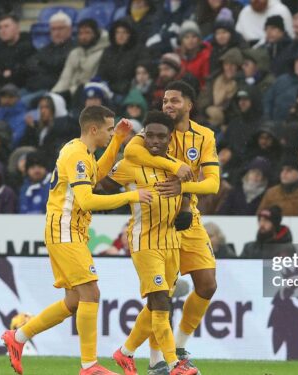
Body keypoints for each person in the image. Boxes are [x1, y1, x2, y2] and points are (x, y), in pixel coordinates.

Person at [1, 106, 151, 375]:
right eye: (108, 129)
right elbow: (87, 199)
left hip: (70, 231)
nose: (109, 132)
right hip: (65, 230)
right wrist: (132, 196)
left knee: (74, 301)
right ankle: (89, 365)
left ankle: (19, 337)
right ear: (93, 129)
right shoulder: (76, 156)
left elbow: (99, 174)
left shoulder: (82, 152)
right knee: (91, 293)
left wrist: (117, 139)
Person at [123, 81, 220, 372]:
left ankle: (177, 344)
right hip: (159, 222)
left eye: (175, 101)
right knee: (161, 294)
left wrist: (182, 187)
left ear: (189, 105)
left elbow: (213, 184)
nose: (168, 106)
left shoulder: (204, 137)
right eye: (165, 100)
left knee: (207, 284)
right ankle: (156, 362)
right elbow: (130, 154)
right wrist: (174, 167)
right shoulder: (153, 131)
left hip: (189, 217)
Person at [106, 111, 197, 375]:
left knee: (156, 303)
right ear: (143, 135)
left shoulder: (177, 165)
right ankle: (173, 364)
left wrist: (186, 209)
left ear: (170, 139)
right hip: (144, 242)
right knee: (160, 302)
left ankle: (125, 353)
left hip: (171, 242)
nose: (155, 141)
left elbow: (188, 192)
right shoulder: (130, 164)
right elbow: (102, 186)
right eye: (150, 135)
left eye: (161, 136)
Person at [24, 12, 76, 102]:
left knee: (22, 102)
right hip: (35, 87)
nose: (56, 32)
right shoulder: (48, 47)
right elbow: (30, 63)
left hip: (53, 90)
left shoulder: (74, 48)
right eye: (53, 29)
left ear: (70, 30)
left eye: (60, 28)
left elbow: (58, 64)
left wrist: (43, 64)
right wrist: (48, 66)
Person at [51, 18, 110, 98]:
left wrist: (69, 93)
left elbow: (93, 81)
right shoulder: (75, 53)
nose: (83, 37)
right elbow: (64, 79)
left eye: (87, 33)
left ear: (96, 34)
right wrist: (53, 95)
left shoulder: (104, 52)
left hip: (89, 94)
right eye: (81, 33)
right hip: (69, 93)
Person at [97, 19, 144, 98]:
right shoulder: (108, 51)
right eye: (117, 32)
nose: (120, 35)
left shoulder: (138, 51)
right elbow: (101, 73)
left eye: (124, 32)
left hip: (127, 92)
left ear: (130, 34)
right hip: (108, 91)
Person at [0, 14, 35, 88]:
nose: (3, 31)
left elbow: (27, 70)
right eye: (0, 28)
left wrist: (11, 72)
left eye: (6, 26)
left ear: (17, 28)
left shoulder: (27, 47)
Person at [177, 21, 213, 89]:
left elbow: (206, 81)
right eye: (186, 37)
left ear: (198, 39)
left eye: (194, 36)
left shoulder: (206, 56)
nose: (190, 40)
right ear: (182, 40)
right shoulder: (177, 57)